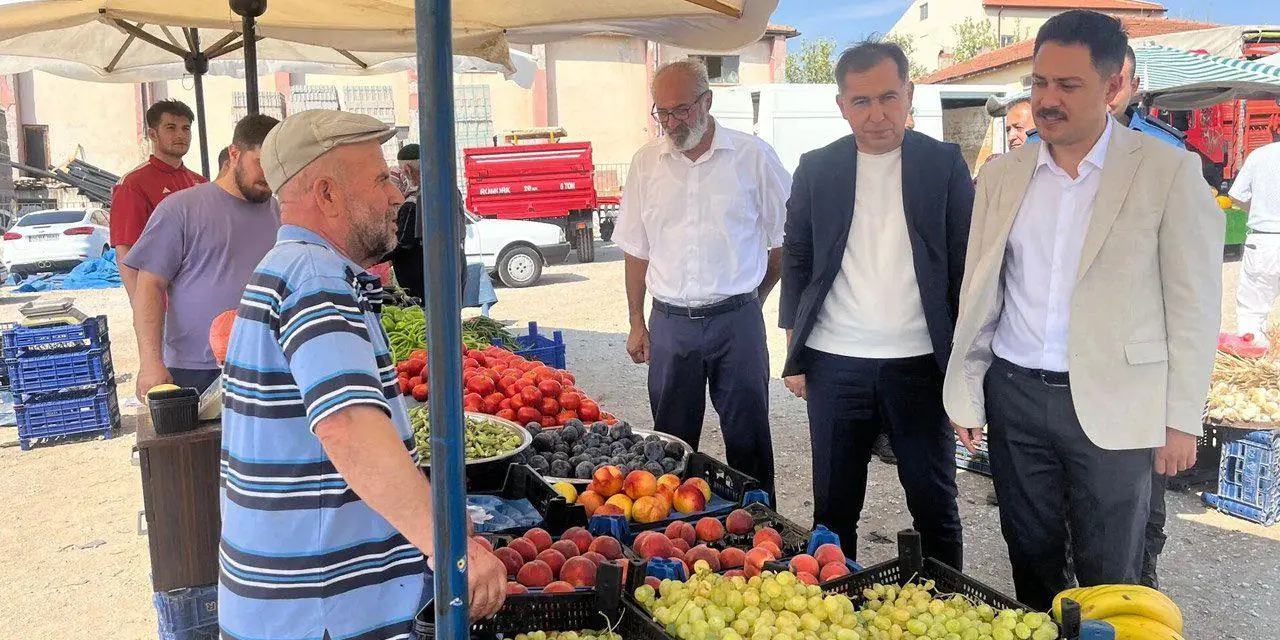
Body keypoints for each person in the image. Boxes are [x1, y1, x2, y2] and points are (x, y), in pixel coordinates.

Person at [944, 10, 1222, 610]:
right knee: (1031, 555)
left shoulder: (1168, 173)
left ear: (1113, 87)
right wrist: (967, 385)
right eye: (1040, 83)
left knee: (1112, 571)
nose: (1047, 99)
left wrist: (1181, 419)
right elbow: (981, 292)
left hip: (1118, 402)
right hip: (1015, 398)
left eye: (1068, 86)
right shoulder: (1002, 177)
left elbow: (1195, 304)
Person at [218, 110, 506, 640]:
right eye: (381, 180)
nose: (397, 195)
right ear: (326, 195)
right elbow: (347, 427)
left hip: (298, 603)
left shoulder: (295, 269)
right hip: (320, 612)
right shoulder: (315, 278)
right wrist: (447, 545)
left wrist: (423, 504)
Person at [779, 42, 972, 569]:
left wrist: (966, 365)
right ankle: (839, 605)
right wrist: (794, 349)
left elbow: (965, 263)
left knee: (935, 503)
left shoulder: (943, 165)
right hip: (835, 360)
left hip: (919, 363)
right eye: (861, 101)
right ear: (841, 104)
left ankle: (948, 605)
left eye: (889, 96)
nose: (877, 113)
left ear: (909, 94)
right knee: (834, 507)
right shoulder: (818, 169)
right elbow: (797, 255)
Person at [614, 60, 788, 495]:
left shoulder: (753, 157)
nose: (672, 122)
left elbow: (786, 241)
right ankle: (673, 541)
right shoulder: (646, 163)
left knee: (748, 440)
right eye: (663, 112)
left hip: (737, 324)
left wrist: (755, 299)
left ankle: (759, 531)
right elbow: (636, 250)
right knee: (669, 447)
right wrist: (637, 320)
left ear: (707, 102)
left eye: (682, 110)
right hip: (671, 325)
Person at [124, 114, 282, 397]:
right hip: (195, 369)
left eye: (276, 165)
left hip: (268, 365)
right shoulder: (180, 209)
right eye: (260, 163)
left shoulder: (280, 213)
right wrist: (150, 362)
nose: (269, 174)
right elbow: (149, 286)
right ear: (234, 154)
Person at [110, 99, 206, 299]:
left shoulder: (200, 182)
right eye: (171, 128)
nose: (181, 135)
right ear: (153, 134)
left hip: (201, 294)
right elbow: (125, 251)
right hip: (162, 297)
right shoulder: (133, 184)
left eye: (186, 128)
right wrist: (142, 307)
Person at [384, 143, 467, 299]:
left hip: (430, 276)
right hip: (455, 263)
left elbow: (405, 244)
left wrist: (372, 256)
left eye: (403, 171)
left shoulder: (418, 199)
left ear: (407, 169)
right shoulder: (449, 187)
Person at [1230, 139, 1280, 350]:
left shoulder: (1260, 155)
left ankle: (1254, 352)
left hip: (1264, 239)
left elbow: (1235, 195)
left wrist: (1260, 210)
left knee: (1252, 310)